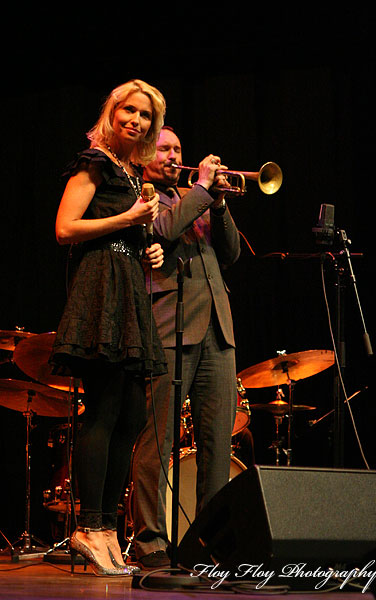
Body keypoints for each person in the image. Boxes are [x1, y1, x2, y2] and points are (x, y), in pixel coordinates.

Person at [49, 80, 168, 576]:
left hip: (127, 288)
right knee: (103, 410)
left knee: (132, 415)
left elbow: (128, 237)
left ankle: (107, 528)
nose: (136, 120)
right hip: (99, 291)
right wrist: (128, 219)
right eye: (129, 110)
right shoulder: (93, 162)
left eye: (145, 115)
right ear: (112, 113)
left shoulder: (133, 172)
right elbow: (64, 228)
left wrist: (150, 248)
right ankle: (89, 527)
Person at [131, 125, 241, 569]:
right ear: (144, 156)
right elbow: (164, 229)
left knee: (217, 444)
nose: (174, 155)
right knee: (156, 441)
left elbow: (230, 253)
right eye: (164, 149)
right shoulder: (144, 196)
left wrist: (221, 200)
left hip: (218, 329)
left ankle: (208, 543)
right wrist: (201, 189)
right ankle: (151, 543)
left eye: (178, 148)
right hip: (169, 326)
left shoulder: (199, 198)